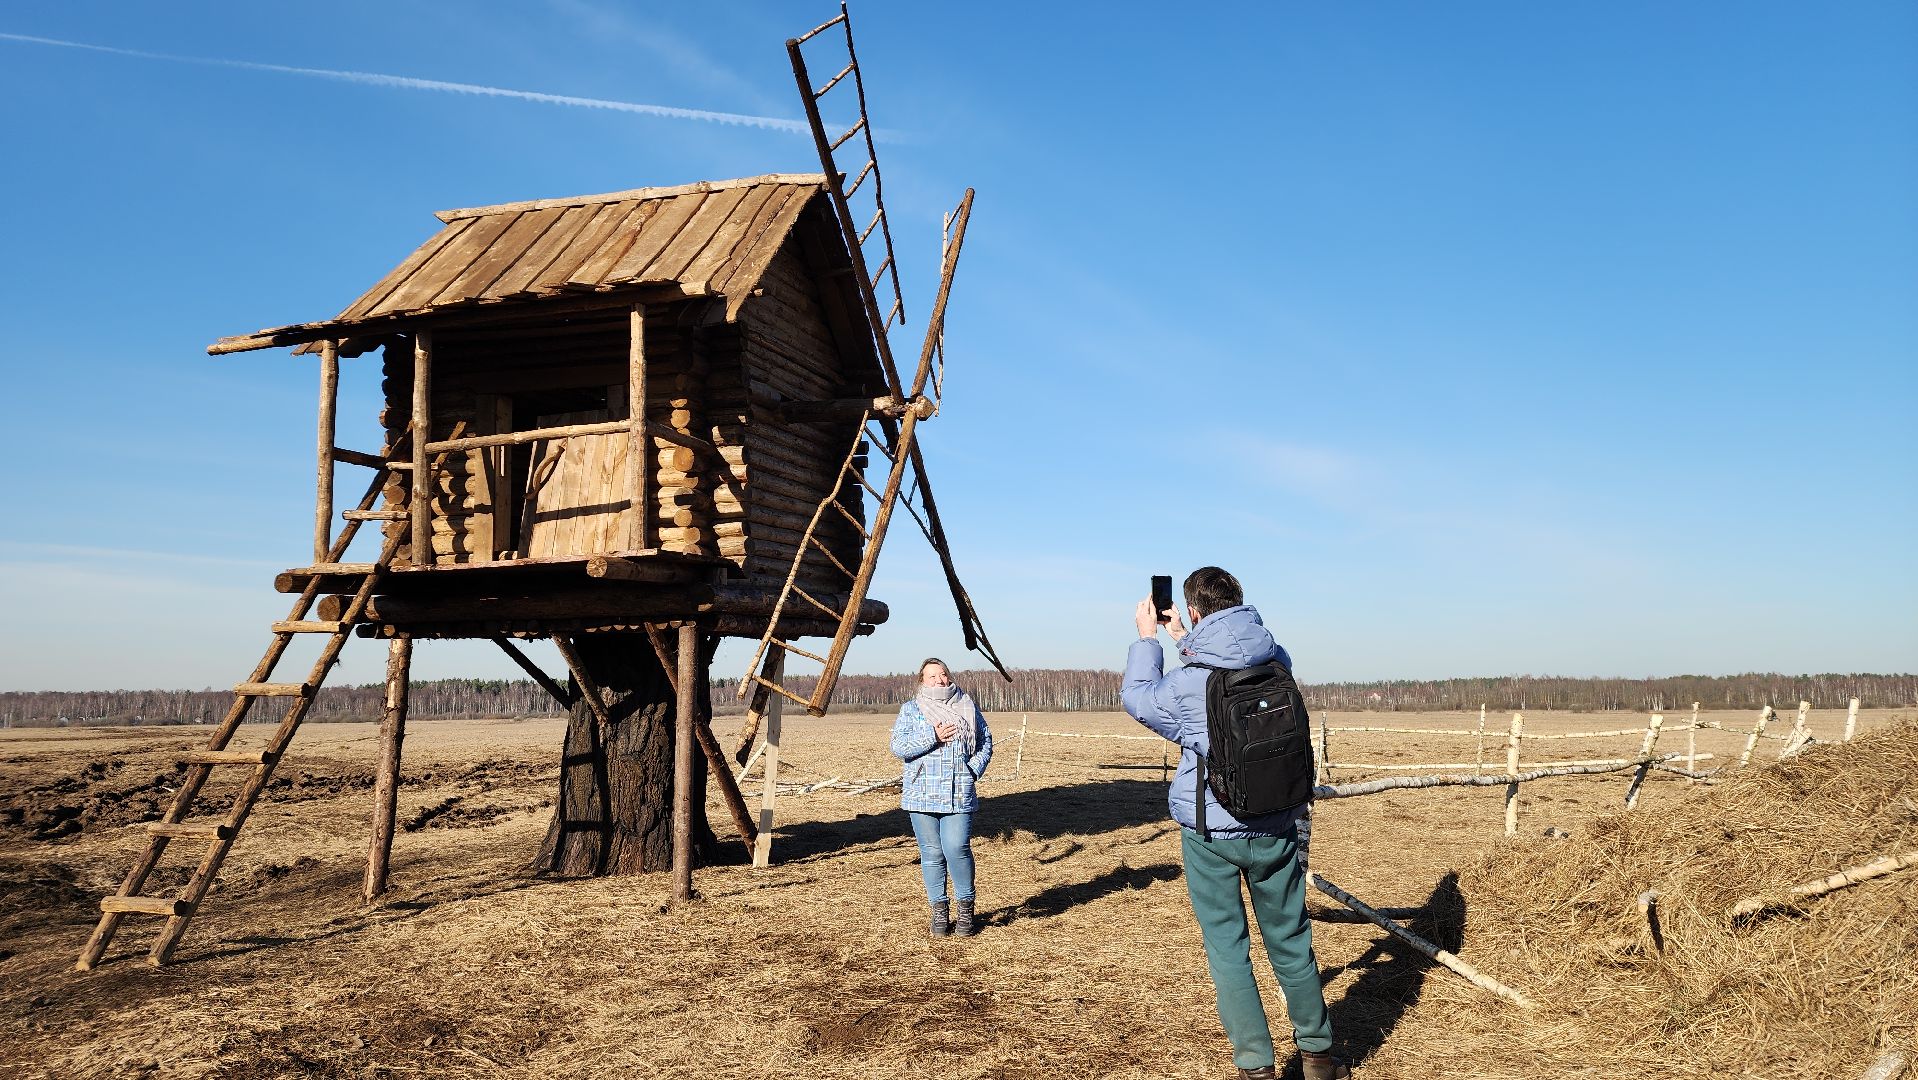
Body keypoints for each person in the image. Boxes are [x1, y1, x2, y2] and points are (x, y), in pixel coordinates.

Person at [1121, 567, 1349, 1080]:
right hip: (1277, 825)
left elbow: (1139, 699)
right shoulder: (1276, 660)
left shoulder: (1186, 685)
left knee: (1228, 948)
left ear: (1195, 611)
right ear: (1239, 603)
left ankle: (1255, 1066)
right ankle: (1317, 1056)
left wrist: (1148, 640)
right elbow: (1232, 652)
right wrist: (1189, 637)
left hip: (1211, 832)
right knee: (1291, 937)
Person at [889, 657, 994, 937]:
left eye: (943, 674)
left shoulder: (967, 706)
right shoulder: (911, 710)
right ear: (922, 681)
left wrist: (971, 770)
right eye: (932, 675)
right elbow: (899, 747)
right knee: (932, 854)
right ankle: (939, 911)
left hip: (958, 791)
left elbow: (985, 741)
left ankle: (965, 911)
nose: (939, 679)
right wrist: (932, 736)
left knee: (956, 848)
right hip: (921, 793)